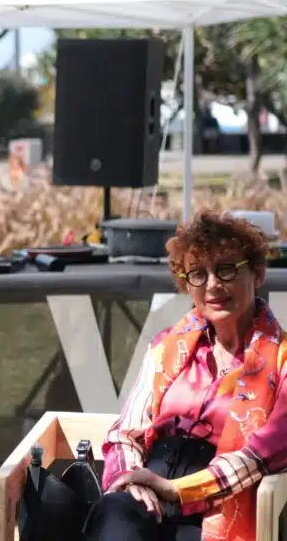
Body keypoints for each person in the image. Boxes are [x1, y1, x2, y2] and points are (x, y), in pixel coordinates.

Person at [92, 210, 287, 541]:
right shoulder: (166, 346)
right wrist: (130, 479)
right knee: (114, 515)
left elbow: (265, 453)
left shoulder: (282, 359)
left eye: (226, 269)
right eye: (197, 273)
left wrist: (176, 489)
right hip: (146, 492)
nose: (212, 285)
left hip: (221, 505)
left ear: (258, 273)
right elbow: (126, 431)